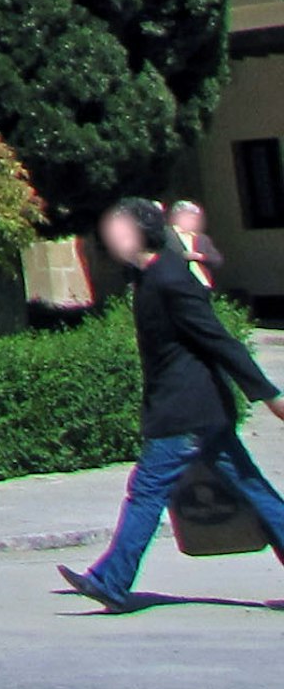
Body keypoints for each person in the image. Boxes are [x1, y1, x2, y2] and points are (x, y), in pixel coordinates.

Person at [59, 197, 284, 610]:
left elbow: (218, 339)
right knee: (253, 489)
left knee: (146, 492)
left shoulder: (171, 279)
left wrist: (269, 395)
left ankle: (111, 580)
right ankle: (111, 579)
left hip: (186, 412)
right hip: (194, 410)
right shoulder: (148, 277)